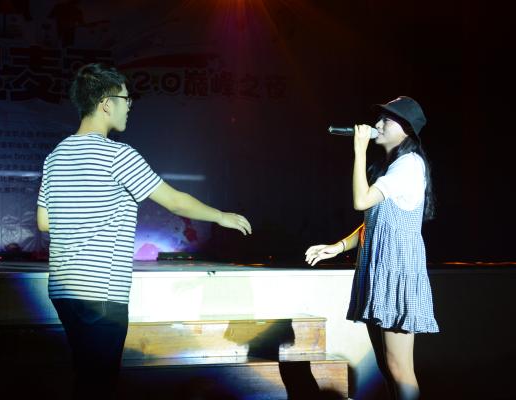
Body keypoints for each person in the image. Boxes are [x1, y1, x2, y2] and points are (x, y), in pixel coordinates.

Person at [36, 63, 252, 399]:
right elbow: (175, 202)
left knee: (87, 377)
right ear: (106, 103)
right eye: (126, 99)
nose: (129, 107)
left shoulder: (56, 156)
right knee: (99, 384)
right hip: (102, 291)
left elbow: (44, 222)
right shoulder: (118, 155)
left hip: (64, 288)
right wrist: (220, 216)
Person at [305, 96, 438, 400]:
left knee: (400, 368)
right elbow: (375, 221)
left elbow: (360, 201)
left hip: (397, 270)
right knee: (387, 366)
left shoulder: (409, 164)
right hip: (379, 267)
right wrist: (338, 246)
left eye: (386, 120)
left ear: (406, 129)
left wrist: (359, 148)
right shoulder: (393, 166)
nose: (377, 125)